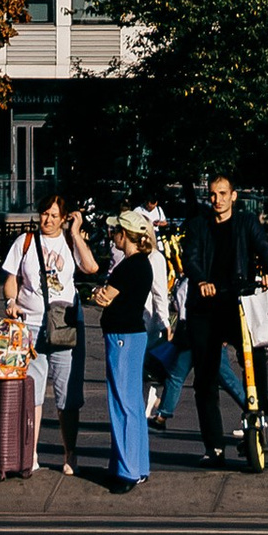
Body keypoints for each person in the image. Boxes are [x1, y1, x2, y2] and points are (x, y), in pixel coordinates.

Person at [178, 173, 268, 465]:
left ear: (233, 196)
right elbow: (190, 257)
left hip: (238, 303)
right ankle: (214, 447)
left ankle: (259, 413)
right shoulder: (198, 225)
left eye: (223, 194)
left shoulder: (246, 223)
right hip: (206, 305)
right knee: (205, 378)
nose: (217, 200)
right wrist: (201, 281)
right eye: (212, 194)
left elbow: (265, 248)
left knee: (257, 356)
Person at [6, 195, 97, 475]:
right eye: (45, 214)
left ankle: (70, 453)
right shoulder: (25, 242)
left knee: (67, 395)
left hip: (65, 327)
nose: (48, 220)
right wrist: (11, 301)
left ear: (64, 217)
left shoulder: (70, 243)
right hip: (31, 326)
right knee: (31, 394)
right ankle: (30, 453)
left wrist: (76, 234)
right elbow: (11, 279)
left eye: (55, 216)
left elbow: (91, 268)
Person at [96, 206, 158, 487]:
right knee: (132, 402)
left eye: (116, 231)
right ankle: (136, 464)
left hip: (121, 335)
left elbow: (104, 298)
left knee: (121, 403)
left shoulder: (127, 266)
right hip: (134, 334)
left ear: (126, 235)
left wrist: (97, 293)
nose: (113, 236)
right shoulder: (144, 263)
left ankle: (127, 471)